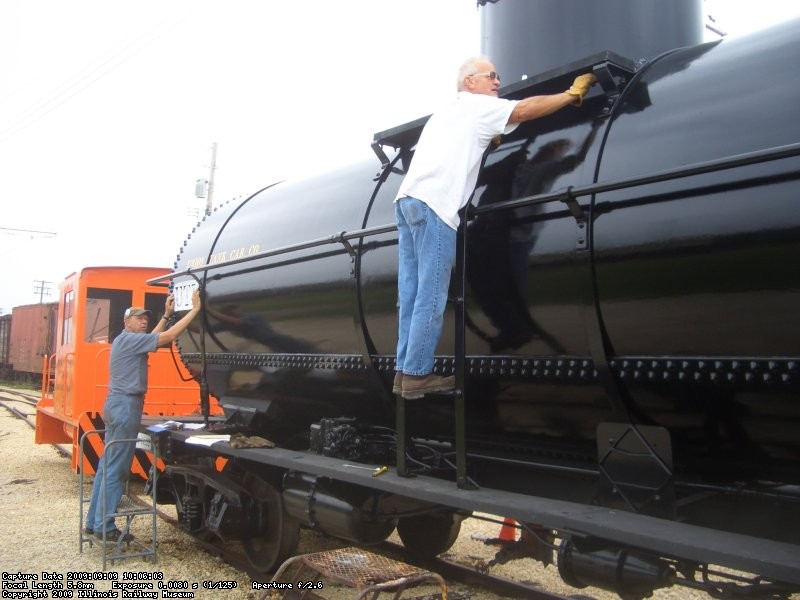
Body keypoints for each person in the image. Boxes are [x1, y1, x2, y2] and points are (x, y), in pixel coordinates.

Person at [394, 56, 596, 400]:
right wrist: (569, 95)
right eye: (492, 76)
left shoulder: (448, 113)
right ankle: (417, 376)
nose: (498, 82)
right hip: (436, 205)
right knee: (432, 294)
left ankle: (403, 373)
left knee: (411, 296)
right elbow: (525, 109)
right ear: (469, 82)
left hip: (408, 201)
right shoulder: (477, 106)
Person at [84, 289, 202, 542]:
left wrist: (167, 314)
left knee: (106, 465)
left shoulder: (125, 341)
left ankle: (93, 522)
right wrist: (194, 310)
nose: (144, 321)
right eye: (138, 318)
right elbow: (167, 337)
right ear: (127, 322)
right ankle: (105, 527)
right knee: (117, 469)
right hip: (126, 406)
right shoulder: (128, 340)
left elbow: (153, 336)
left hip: (117, 404)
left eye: (146, 318)